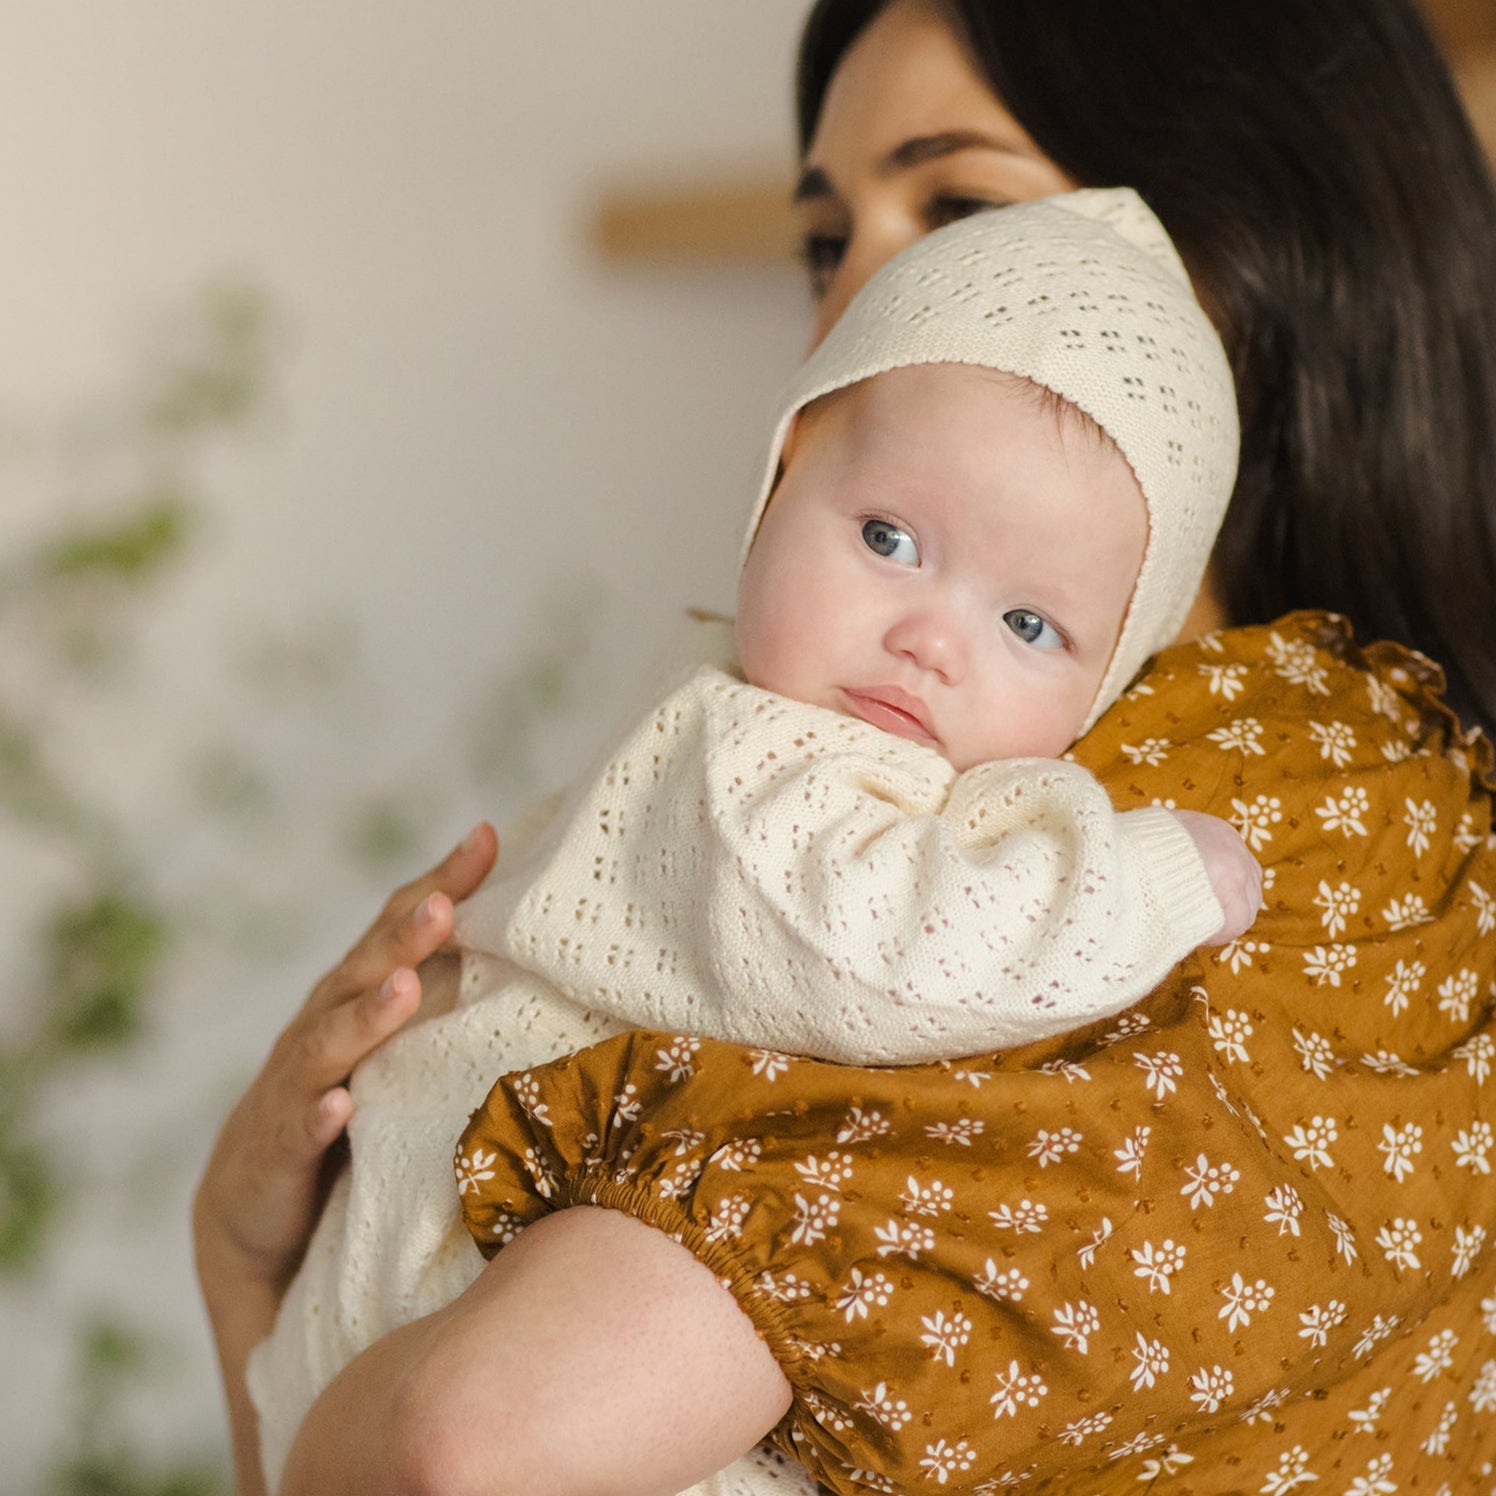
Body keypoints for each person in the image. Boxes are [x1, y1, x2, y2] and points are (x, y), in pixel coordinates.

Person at [193, 1, 1496, 1491]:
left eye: (962, 211)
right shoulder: (858, 738)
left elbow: (463, 1449)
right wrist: (251, 1267)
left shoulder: (1298, 825)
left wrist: (300, 1372)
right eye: (829, 241)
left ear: (1263, 260)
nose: (864, 301)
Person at [247, 185, 1257, 1492]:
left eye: (1030, 627)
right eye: (890, 538)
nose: (931, 637)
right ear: (775, 482)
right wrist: (1154, 877)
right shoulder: (748, 760)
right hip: (436, 1285)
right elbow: (897, 953)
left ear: (1115, 678)